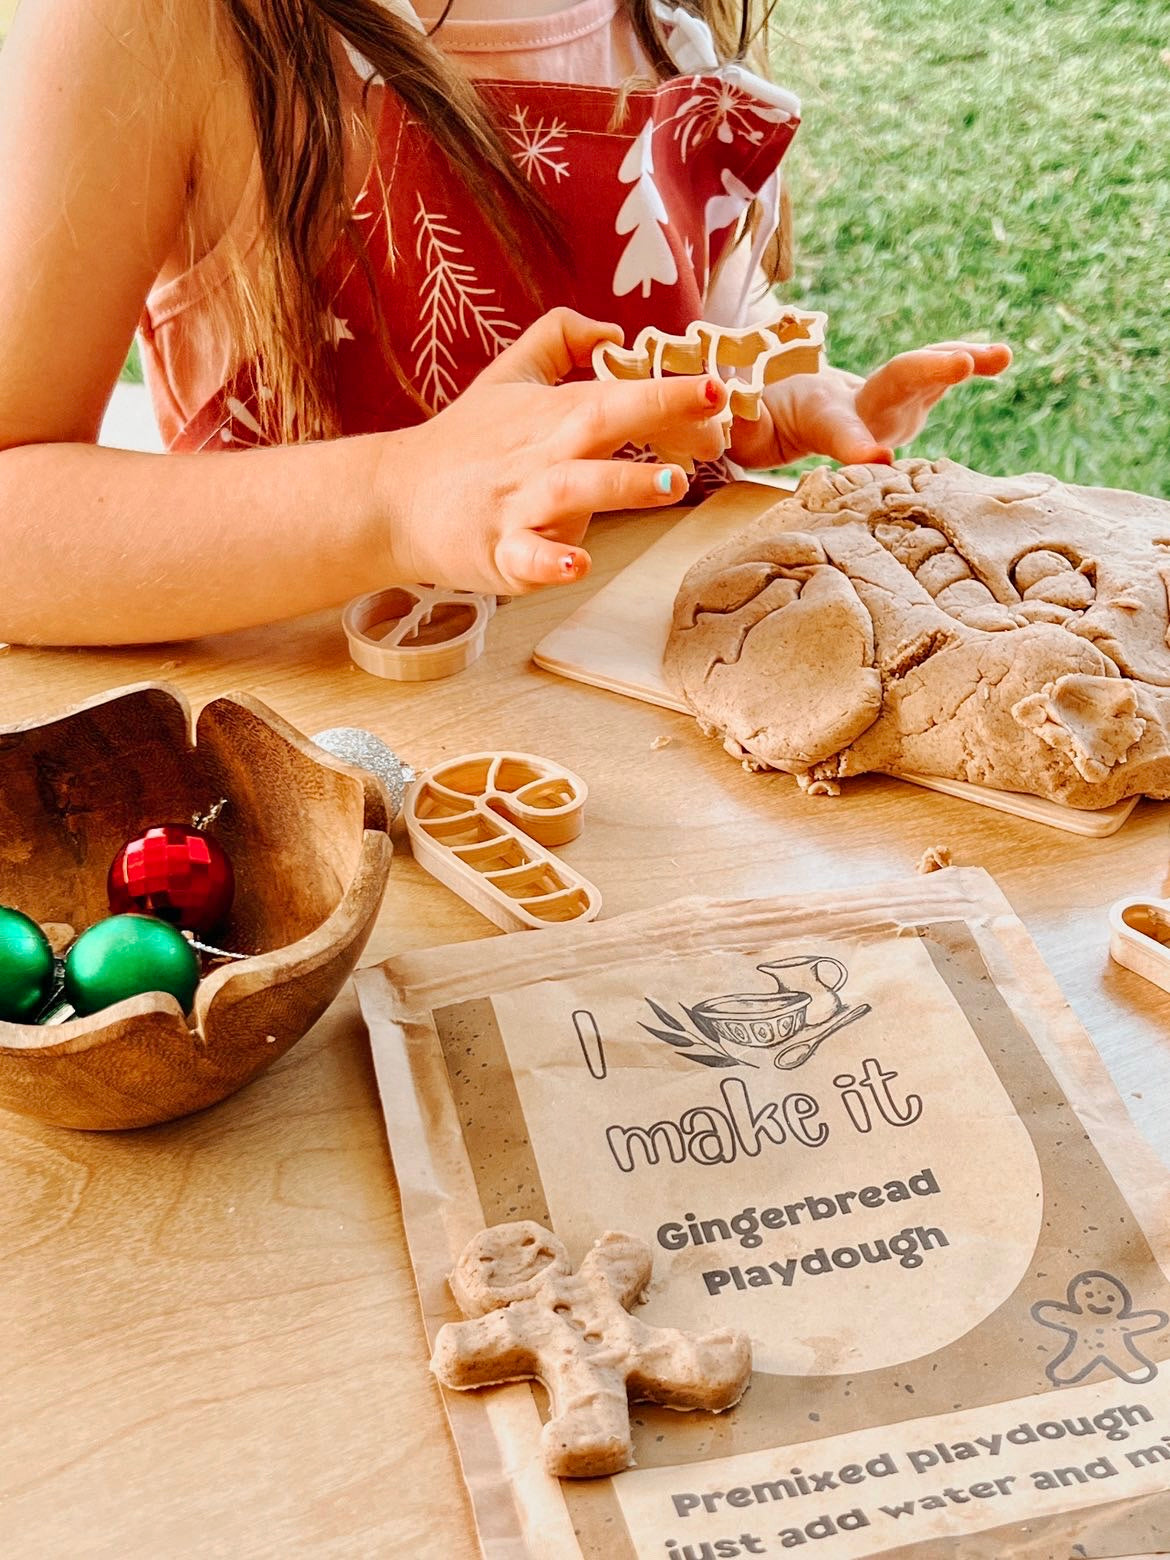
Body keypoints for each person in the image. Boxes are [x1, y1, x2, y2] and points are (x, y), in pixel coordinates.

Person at [0, 0, 1009, 646]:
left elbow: (689, 340)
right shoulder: (148, 24)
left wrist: (754, 404)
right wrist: (402, 498)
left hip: (642, 756)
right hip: (335, 785)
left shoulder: (668, 22)